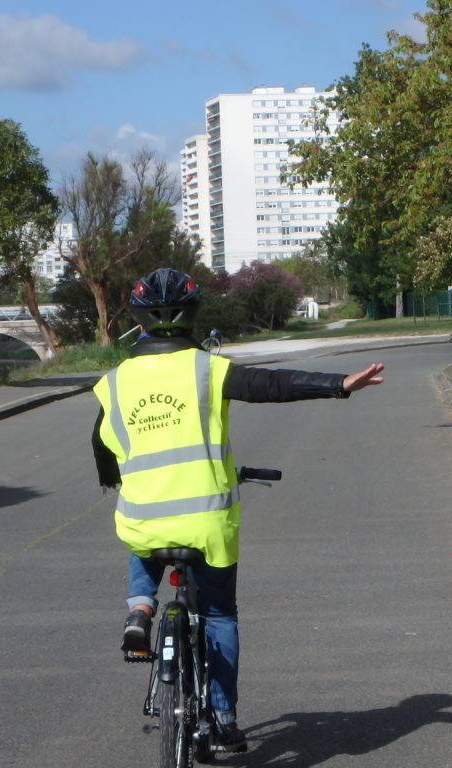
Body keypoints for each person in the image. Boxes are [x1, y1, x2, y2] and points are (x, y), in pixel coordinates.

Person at [91, 267, 384, 753]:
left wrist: (121, 479)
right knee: (220, 614)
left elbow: (102, 449)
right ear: (193, 317)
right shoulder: (208, 368)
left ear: (138, 318)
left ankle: (140, 607)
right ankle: (223, 717)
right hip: (208, 522)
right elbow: (273, 384)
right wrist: (340, 384)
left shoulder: (114, 382)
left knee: (139, 536)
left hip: (143, 516)